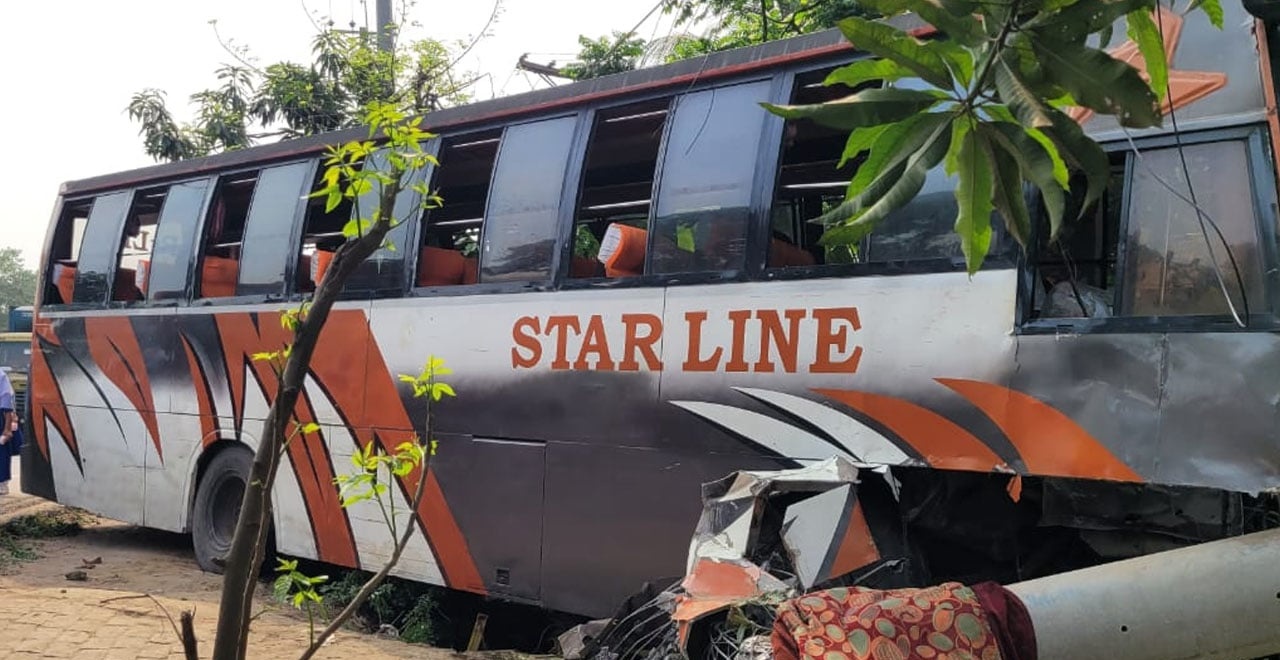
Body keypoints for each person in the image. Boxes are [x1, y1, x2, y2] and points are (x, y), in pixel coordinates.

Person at [0, 369, 20, 495]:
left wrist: (7, 429)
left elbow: (7, 403)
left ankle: (2, 483)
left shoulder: (0, 375)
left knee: (1, 451)